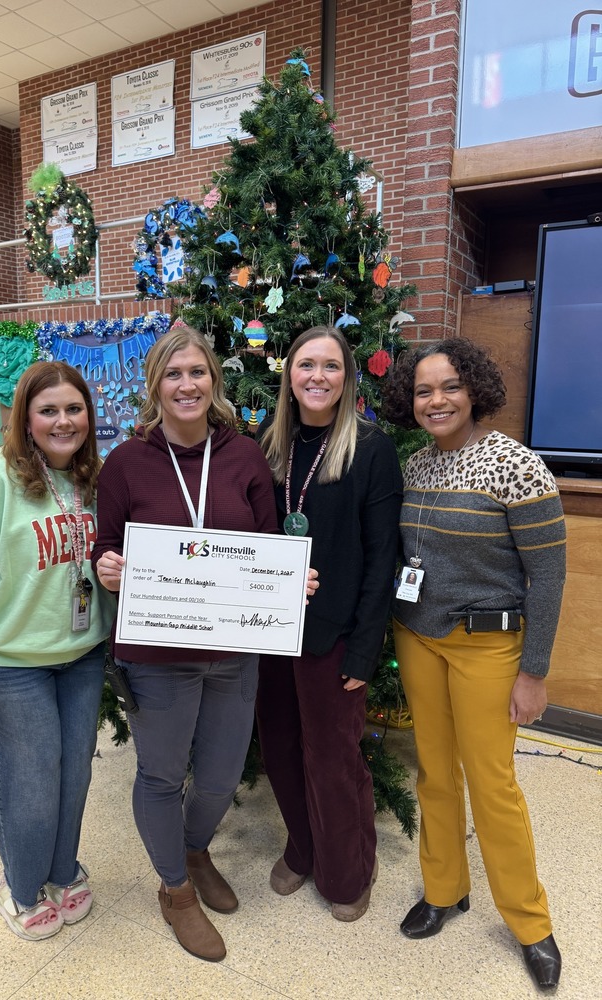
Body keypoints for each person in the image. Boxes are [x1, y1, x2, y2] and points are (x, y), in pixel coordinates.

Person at [92, 324, 297, 963]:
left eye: (198, 372)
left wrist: (292, 579)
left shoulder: (243, 456)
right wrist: (107, 565)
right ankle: (176, 890)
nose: (188, 384)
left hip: (233, 652)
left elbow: (268, 545)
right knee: (159, 773)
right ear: (156, 385)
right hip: (157, 655)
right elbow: (105, 543)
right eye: (174, 374)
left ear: (214, 382)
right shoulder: (127, 461)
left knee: (218, 775)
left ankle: (196, 848)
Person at [382, 338, 566, 992]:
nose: (436, 400)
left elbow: (547, 576)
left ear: (474, 390)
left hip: (490, 646)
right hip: (419, 638)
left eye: (449, 387)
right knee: (433, 770)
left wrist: (534, 672)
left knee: (493, 785)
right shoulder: (415, 466)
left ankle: (530, 923)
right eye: (424, 390)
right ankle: (444, 890)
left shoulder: (516, 466)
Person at [0, 360, 115, 941]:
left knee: (73, 775)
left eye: (74, 408)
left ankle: (62, 870)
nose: (64, 421)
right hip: (11, 666)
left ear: (89, 413)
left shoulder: (93, 478)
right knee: (29, 782)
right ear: (24, 420)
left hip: (81, 657)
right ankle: (22, 885)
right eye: (48, 410)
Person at [256, 325, 403, 922]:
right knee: (282, 749)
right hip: (268, 631)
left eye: (331, 366)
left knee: (335, 758)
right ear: (289, 376)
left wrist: (364, 651)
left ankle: (346, 871)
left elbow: (381, 557)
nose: (318, 376)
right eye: (306, 365)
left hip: (334, 637)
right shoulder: (266, 445)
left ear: (347, 378)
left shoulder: (370, 449)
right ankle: (302, 846)